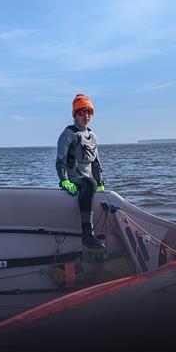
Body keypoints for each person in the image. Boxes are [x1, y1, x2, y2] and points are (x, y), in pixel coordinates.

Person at [56, 94, 106, 248]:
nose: (86, 116)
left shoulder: (93, 136)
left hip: (88, 181)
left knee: (92, 183)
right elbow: (60, 161)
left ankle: (97, 234)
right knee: (90, 183)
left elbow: (96, 163)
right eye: (82, 112)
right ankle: (87, 234)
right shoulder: (68, 135)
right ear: (74, 115)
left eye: (89, 112)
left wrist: (100, 182)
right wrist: (64, 180)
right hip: (74, 180)